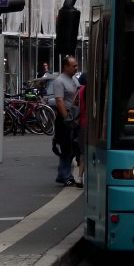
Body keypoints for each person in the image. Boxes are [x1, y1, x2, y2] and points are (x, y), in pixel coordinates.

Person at [52, 55, 79, 185]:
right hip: (66, 118)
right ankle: (66, 175)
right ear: (65, 67)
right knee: (66, 147)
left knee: (73, 147)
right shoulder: (59, 81)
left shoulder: (74, 79)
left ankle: (61, 173)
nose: (76, 68)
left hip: (74, 116)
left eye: (76, 65)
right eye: (73, 66)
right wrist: (66, 118)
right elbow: (59, 100)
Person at [74, 71, 87, 187]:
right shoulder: (93, 89)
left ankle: (80, 177)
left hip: (81, 124)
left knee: (83, 152)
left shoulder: (79, 90)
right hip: (92, 125)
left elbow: (74, 104)